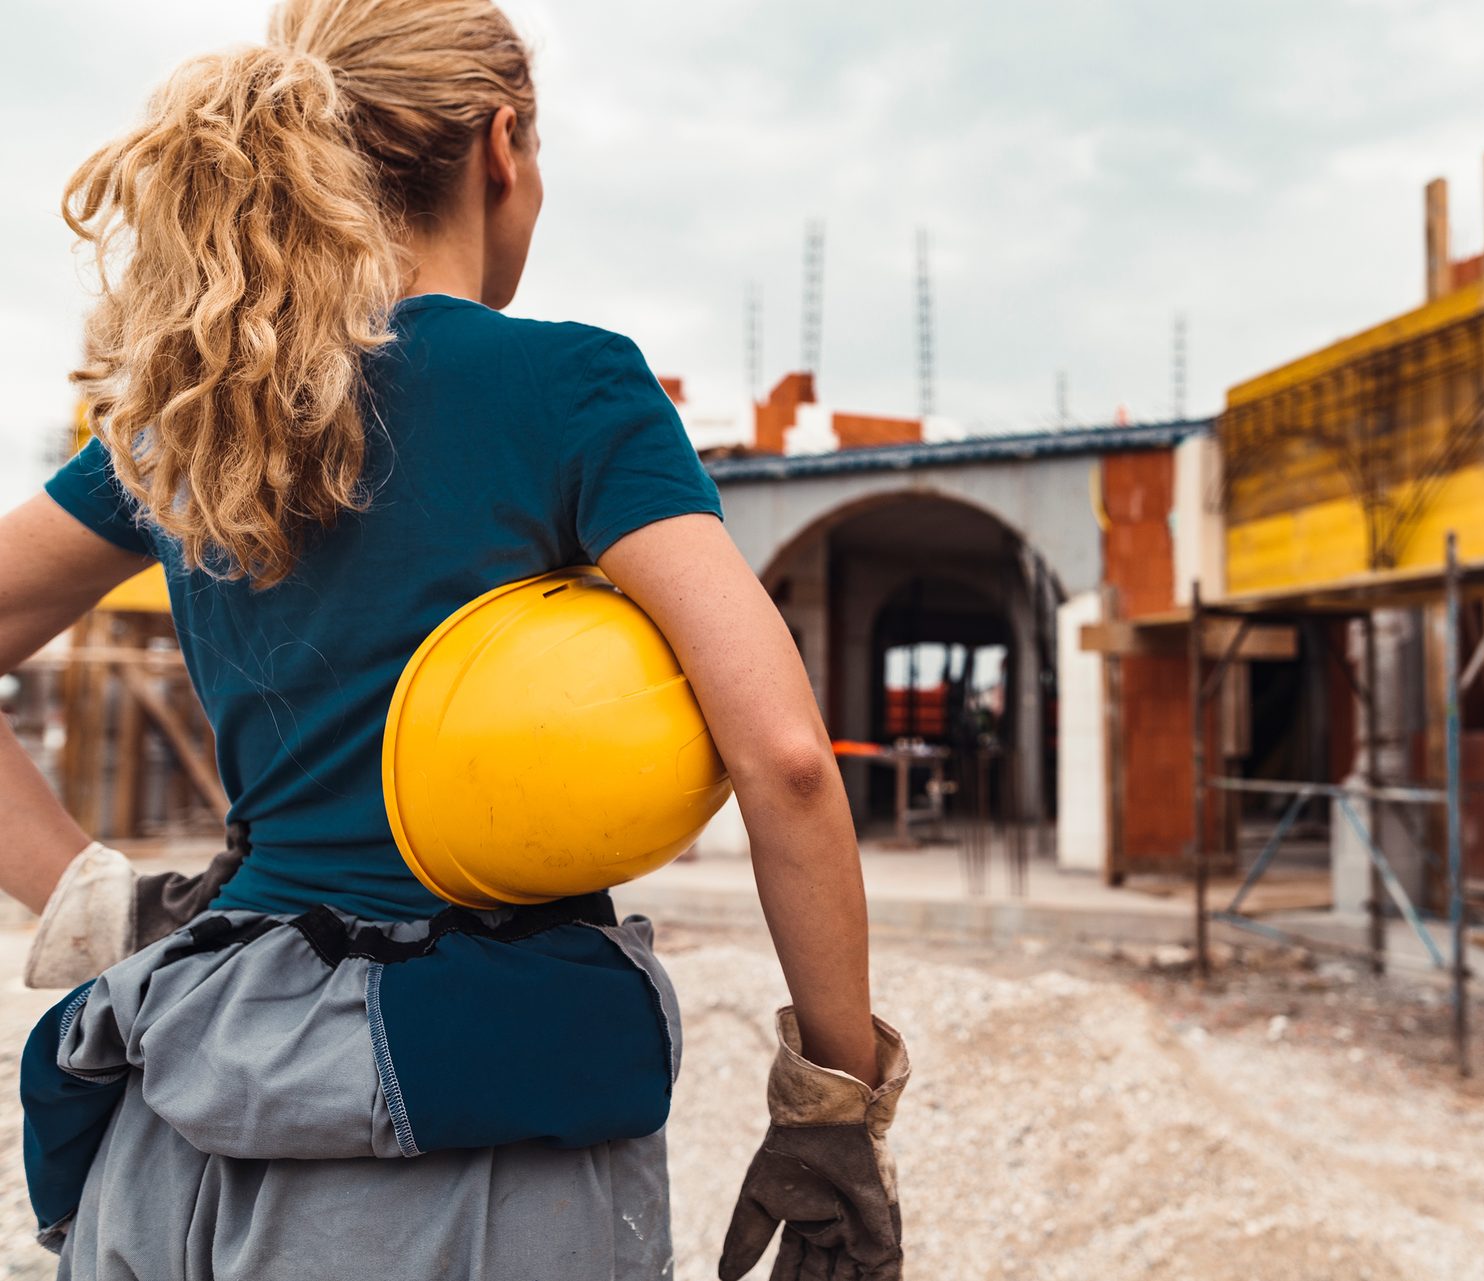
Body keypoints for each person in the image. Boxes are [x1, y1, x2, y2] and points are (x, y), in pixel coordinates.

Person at [0, 2, 909, 1278]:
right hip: (466, 1123)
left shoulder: (198, 414)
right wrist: (835, 1110)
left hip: (185, 1097)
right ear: (502, 145)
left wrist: (90, 905)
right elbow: (789, 760)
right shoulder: (573, 388)